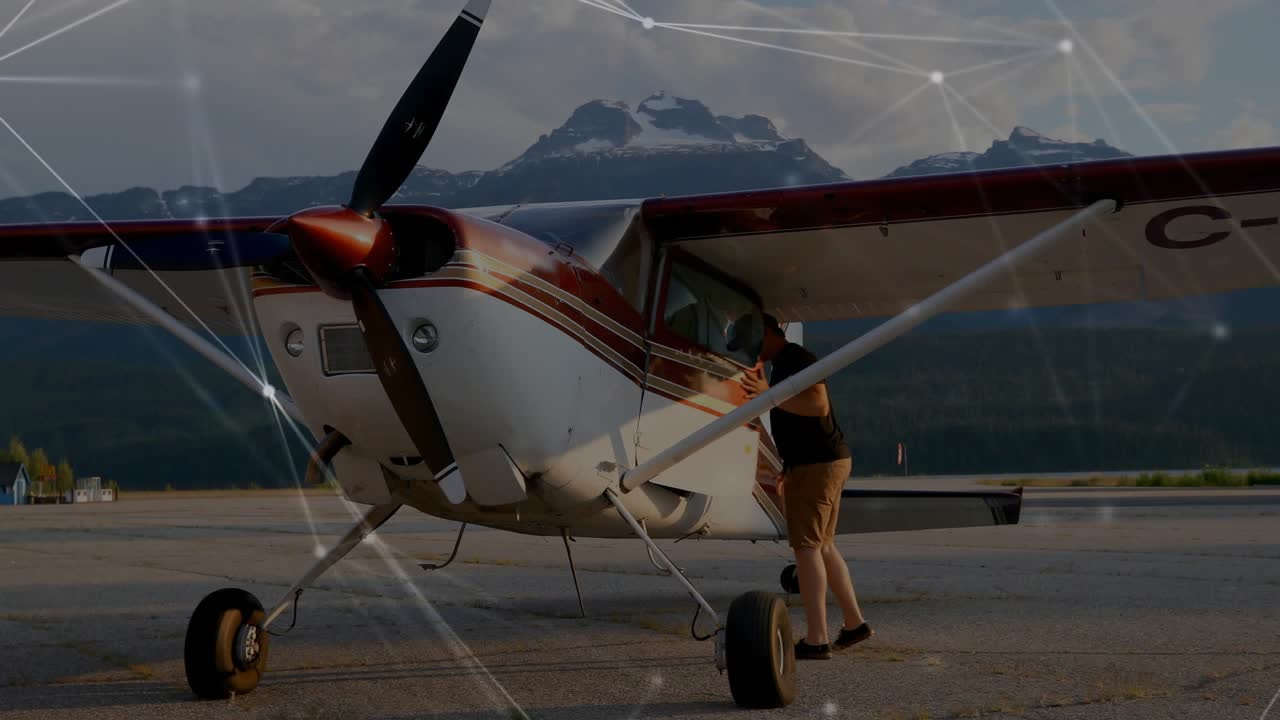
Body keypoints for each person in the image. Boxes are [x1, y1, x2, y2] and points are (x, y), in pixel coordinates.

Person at [739, 314, 872, 660]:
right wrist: (787, 466)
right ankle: (855, 624)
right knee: (824, 546)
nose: (753, 352)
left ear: (768, 332)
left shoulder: (796, 358)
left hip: (818, 464)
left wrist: (770, 395)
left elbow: (818, 405)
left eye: (754, 342)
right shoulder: (787, 361)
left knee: (807, 548)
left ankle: (817, 639)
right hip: (819, 462)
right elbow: (797, 419)